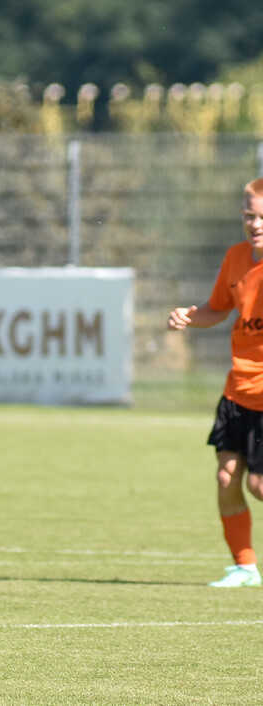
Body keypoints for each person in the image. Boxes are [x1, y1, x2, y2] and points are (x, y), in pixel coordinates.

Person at [167, 177, 263, 588]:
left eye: (261, 215)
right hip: (236, 391)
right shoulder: (236, 258)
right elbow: (216, 309)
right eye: (248, 214)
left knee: (259, 485)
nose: (254, 223)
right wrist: (190, 317)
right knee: (227, 478)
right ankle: (245, 567)